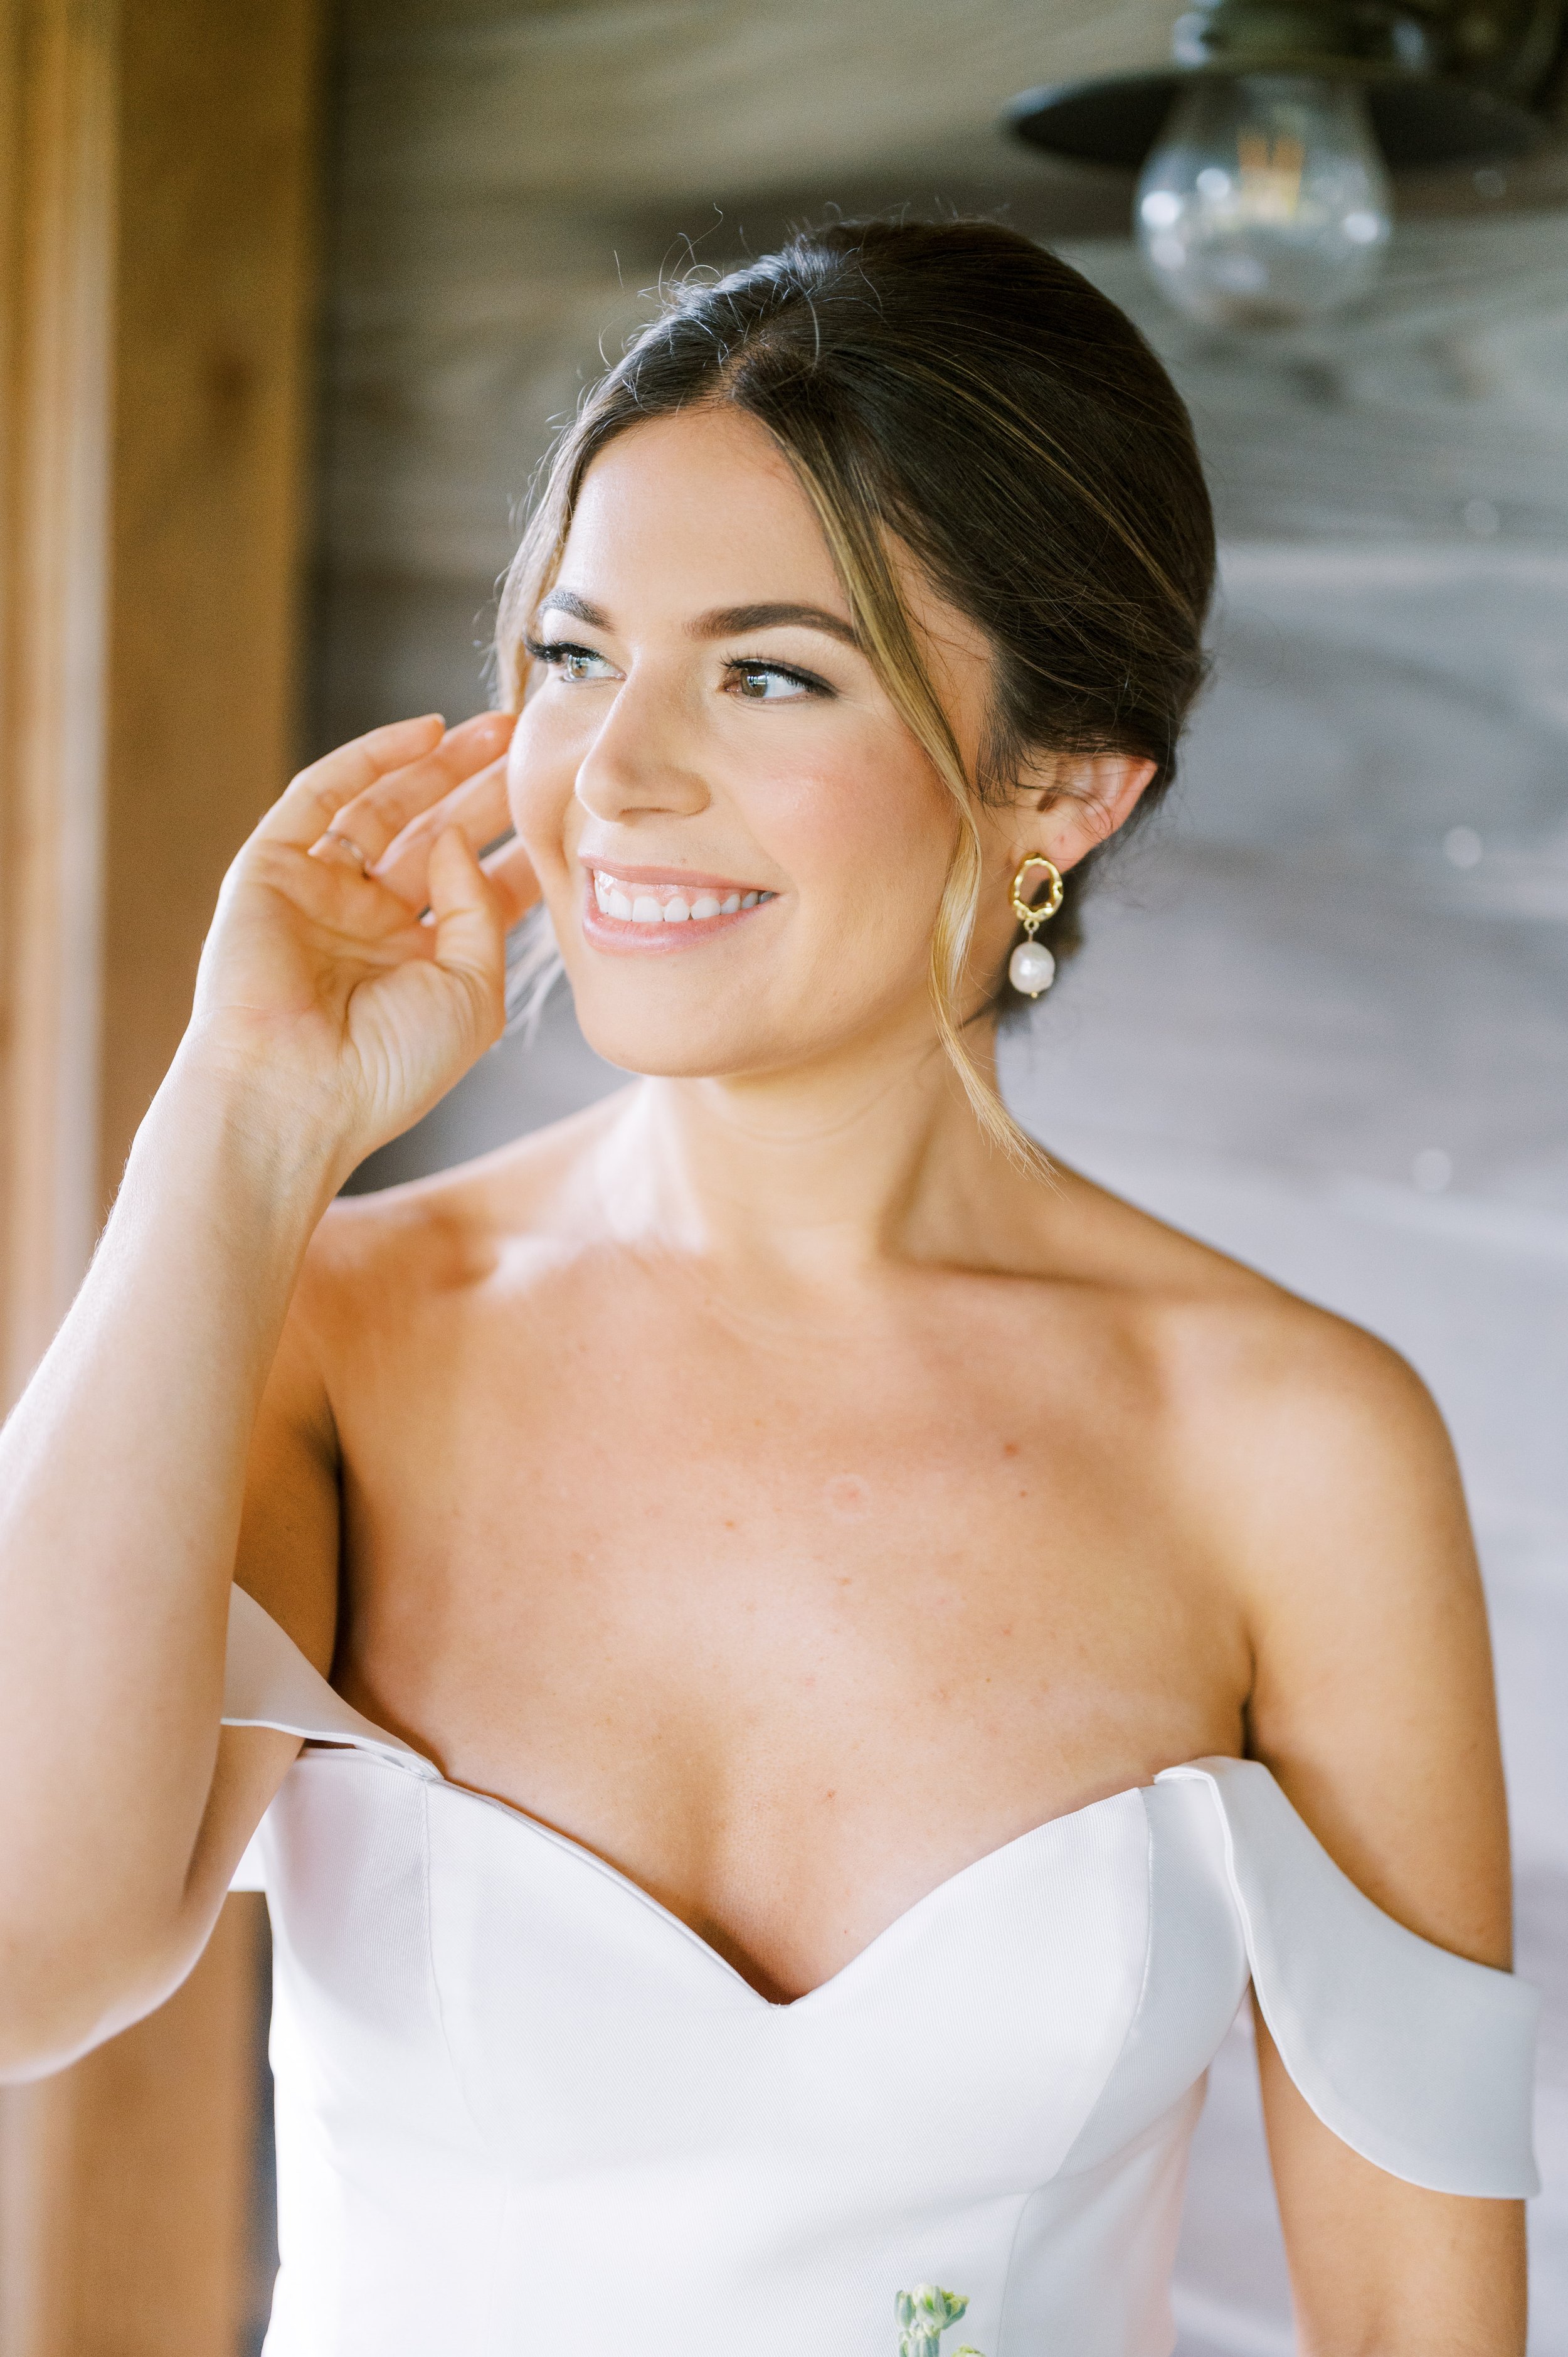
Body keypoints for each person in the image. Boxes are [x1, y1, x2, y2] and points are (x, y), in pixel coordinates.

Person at [0, 220, 1537, 2356]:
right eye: (571, 653)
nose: (613, 772)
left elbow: (1415, 2327)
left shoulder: (1293, 1450)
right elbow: (20, 1965)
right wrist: (233, 1133)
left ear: (1057, 790)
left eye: (770, 671)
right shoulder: (328, 1330)